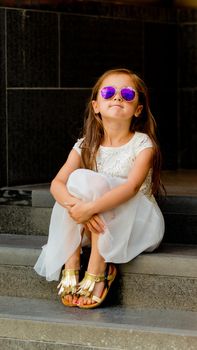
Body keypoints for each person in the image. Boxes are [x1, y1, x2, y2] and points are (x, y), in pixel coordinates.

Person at [34, 68, 165, 309]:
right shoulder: (85, 145)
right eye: (109, 92)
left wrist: (89, 209)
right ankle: (72, 260)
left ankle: (97, 265)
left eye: (127, 93)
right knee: (76, 181)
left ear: (137, 110)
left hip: (139, 224)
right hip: (94, 222)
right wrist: (78, 210)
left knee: (90, 181)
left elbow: (131, 187)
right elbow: (57, 184)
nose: (118, 98)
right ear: (96, 106)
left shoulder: (143, 145)